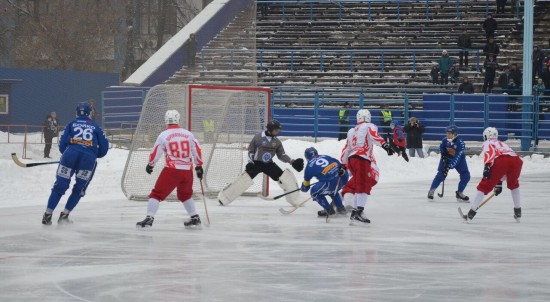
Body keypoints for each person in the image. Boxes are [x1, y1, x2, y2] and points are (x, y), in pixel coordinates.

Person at [42, 102, 109, 225]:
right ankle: (65, 214)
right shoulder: (96, 127)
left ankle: (48, 214)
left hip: (69, 156)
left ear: (76, 113)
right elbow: (104, 148)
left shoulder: (70, 124)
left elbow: (62, 144)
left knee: (60, 186)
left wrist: (68, 153)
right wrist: (93, 153)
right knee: (79, 188)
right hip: (88, 160)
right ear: (90, 113)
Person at [136, 110, 204, 229]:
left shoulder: (163, 135)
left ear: (166, 120)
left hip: (172, 170)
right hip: (187, 171)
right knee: (185, 194)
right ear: (178, 119)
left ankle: (149, 218)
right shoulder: (188, 134)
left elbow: (156, 151)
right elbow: (196, 150)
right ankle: (194, 217)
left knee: (157, 194)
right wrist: (198, 165)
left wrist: (151, 164)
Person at [217, 120, 304, 206]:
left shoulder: (277, 142)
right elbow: (251, 151)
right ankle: (224, 198)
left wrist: (292, 162)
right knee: (243, 180)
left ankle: (296, 199)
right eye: (276, 130)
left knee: (285, 178)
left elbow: (281, 155)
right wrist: (250, 163)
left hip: (269, 164)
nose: (278, 132)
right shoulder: (258, 137)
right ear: (271, 128)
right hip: (256, 164)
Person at [340, 109, 394, 225]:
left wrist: (343, 165)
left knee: (359, 183)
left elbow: (346, 149)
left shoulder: (351, 130)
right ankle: (358, 212)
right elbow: (375, 136)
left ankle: (355, 211)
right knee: (364, 184)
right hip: (362, 158)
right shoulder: (370, 125)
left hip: (352, 159)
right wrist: (385, 145)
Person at [460, 127, 523, 222]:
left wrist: (487, 166)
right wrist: (499, 184)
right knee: (514, 185)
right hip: (516, 160)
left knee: (483, 186)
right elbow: (506, 166)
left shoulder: (487, 143)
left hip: (501, 161)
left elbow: (490, 153)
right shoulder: (502, 143)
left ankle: (470, 213)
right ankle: (518, 212)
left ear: (485, 136)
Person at [300, 147, 349, 217]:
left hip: (330, 182)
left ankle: (329, 210)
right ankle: (341, 208)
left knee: (314, 192)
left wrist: (303, 187)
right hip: (343, 177)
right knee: (332, 190)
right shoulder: (325, 156)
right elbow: (340, 165)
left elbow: (305, 187)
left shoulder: (309, 166)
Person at [427, 125, 470, 202]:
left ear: (455, 134)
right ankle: (431, 191)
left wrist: (449, 167)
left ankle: (459, 193)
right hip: (446, 159)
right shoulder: (444, 140)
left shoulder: (460, 143)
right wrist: (443, 154)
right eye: (447, 133)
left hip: (459, 160)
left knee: (466, 175)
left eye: (450, 133)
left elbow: (457, 157)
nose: (448, 135)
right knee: (440, 175)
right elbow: (442, 147)